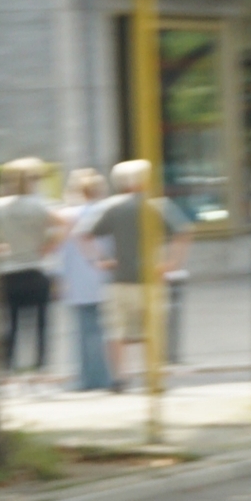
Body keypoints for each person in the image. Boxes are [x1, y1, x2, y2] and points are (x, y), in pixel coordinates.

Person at [84, 159, 192, 390]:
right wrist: (170, 263)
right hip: (150, 279)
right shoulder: (157, 206)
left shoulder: (111, 207)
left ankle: (120, 378)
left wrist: (99, 260)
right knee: (152, 330)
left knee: (116, 332)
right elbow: (183, 232)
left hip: (118, 280)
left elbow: (84, 234)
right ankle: (153, 376)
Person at [0, 159, 62, 376]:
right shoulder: (40, 205)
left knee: (9, 325)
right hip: (35, 268)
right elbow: (65, 223)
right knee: (40, 325)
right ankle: (40, 370)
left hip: (5, 272)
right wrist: (49, 246)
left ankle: (6, 371)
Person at [55, 168, 113, 392]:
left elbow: (59, 249)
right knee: (104, 330)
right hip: (104, 275)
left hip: (77, 279)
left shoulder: (67, 215)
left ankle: (87, 378)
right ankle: (105, 376)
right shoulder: (106, 211)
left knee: (83, 331)